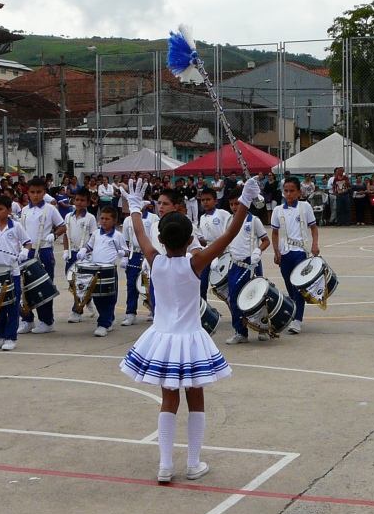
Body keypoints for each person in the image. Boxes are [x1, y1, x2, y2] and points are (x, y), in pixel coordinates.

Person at [119, 175, 260, 483]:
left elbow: (141, 231)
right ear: (189, 240)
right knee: (196, 398)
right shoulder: (195, 262)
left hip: (162, 339)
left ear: (163, 239)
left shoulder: (154, 259)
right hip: (191, 339)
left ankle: (165, 465)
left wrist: (133, 208)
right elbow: (230, 233)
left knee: (169, 401)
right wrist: (245, 200)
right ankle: (193, 462)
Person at [270, 176, 319, 335]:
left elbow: (314, 228)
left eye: (292, 191)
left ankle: (297, 320)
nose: (288, 194)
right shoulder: (278, 210)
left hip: (300, 251)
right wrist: (276, 250)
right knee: (289, 285)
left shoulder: (305, 207)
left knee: (297, 286)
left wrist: (314, 244)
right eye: (286, 191)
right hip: (285, 252)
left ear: (299, 192)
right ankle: (295, 309)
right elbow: (275, 233)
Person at [18, 177, 67, 334]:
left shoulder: (50, 209)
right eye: (32, 192)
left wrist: (54, 234)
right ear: (28, 193)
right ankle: (27, 319)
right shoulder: (24, 211)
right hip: (27, 251)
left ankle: (47, 321)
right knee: (24, 287)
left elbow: (62, 226)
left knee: (43, 287)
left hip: (44, 250)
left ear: (44, 192)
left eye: (39, 192)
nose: (35, 195)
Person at [0, 194, 33, 351]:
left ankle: (11, 337)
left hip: (12, 272)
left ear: (9, 210)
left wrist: (24, 252)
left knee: (12, 306)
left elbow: (27, 243)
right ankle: (0, 336)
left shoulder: (16, 226)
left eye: (0, 209)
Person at [224, 189, 271, 344]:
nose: (234, 207)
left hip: (252, 265)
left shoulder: (254, 220)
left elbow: (266, 240)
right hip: (235, 266)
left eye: (237, 203)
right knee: (235, 299)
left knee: (258, 298)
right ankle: (240, 332)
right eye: (231, 204)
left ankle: (263, 328)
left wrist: (258, 250)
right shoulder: (229, 221)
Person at [76, 205, 126, 336]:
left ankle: (103, 323)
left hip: (109, 270)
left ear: (114, 220)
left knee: (109, 298)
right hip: (95, 269)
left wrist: (123, 254)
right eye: (102, 218)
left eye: (107, 219)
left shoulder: (118, 236)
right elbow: (90, 245)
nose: (104, 221)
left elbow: (126, 250)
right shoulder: (97, 233)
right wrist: (84, 250)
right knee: (97, 296)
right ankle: (109, 318)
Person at [120, 192, 157, 327]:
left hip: (149, 254)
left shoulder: (154, 219)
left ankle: (154, 310)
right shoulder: (127, 220)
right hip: (133, 254)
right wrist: (125, 257)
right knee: (131, 284)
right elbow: (125, 241)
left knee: (152, 284)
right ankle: (131, 313)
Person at [64, 187, 98, 323]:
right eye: (77, 200)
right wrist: (66, 250)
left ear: (88, 203)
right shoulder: (68, 216)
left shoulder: (90, 218)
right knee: (71, 281)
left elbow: (94, 237)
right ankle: (87, 299)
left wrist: (86, 250)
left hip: (84, 254)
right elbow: (66, 235)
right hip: (71, 253)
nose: (79, 203)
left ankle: (77, 310)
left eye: (82, 200)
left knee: (81, 283)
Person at [196, 186, 231, 300]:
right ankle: (203, 310)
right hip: (207, 253)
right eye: (203, 200)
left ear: (215, 201)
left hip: (223, 252)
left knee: (226, 286)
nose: (205, 202)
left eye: (208, 199)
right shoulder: (202, 218)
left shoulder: (222, 214)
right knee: (202, 283)